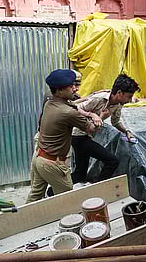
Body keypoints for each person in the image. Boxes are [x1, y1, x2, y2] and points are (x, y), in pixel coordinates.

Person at [26, 69, 97, 203]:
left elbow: (71, 106)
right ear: (59, 90)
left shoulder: (49, 103)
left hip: (39, 156)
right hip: (52, 163)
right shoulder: (68, 113)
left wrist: (88, 114)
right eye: (71, 86)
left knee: (35, 196)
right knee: (67, 201)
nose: (75, 89)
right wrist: (100, 117)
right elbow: (91, 129)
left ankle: (21, 220)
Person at [71, 74, 140, 184]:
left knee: (80, 174)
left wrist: (127, 132)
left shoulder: (118, 103)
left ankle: (52, 192)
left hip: (88, 135)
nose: (130, 100)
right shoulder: (99, 99)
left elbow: (115, 121)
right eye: (129, 96)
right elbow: (75, 109)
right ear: (119, 93)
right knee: (112, 161)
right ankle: (98, 189)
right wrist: (93, 115)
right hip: (78, 135)